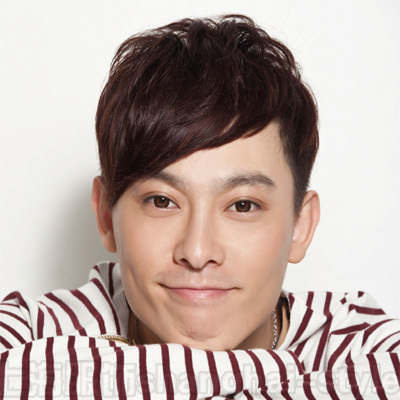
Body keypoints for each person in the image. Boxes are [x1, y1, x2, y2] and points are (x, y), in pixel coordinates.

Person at [0, 15, 399, 399]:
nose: (197, 252)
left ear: (301, 225)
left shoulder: (364, 346)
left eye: (243, 205)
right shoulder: (29, 331)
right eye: (162, 201)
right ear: (106, 216)